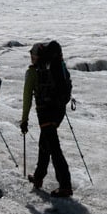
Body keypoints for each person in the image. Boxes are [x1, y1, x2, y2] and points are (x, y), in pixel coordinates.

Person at [18, 39, 75, 197]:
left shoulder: (33, 72)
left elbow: (27, 98)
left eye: (33, 55)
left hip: (45, 111)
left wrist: (24, 120)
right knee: (46, 142)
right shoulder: (58, 66)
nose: (31, 58)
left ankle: (65, 185)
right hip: (59, 110)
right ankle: (38, 177)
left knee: (53, 147)